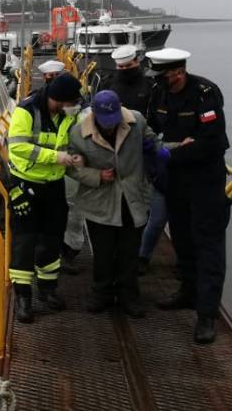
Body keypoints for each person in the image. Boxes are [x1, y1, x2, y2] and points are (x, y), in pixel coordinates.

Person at [146, 47, 230, 344]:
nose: (160, 82)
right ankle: (188, 291)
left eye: (165, 76)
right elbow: (151, 131)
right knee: (182, 237)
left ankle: (207, 314)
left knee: (208, 244)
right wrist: (170, 147)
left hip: (205, 182)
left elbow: (212, 143)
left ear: (178, 72)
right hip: (175, 181)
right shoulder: (159, 92)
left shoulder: (205, 93)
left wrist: (170, 151)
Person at [67, 90, 167, 317]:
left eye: (114, 121)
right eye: (105, 122)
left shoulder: (137, 121)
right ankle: (101, 292)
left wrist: (169, 149)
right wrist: (96, 176)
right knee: (103, 252)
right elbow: (72, 167)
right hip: (100, 202)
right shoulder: (77, 133)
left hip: (132, 198)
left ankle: (128, 294)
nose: (111, 126)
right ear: (93, 113)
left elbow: (154, 142)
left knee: (130, 251)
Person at [7, 73, 84, 323]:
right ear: (60, 99)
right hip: (27, 185)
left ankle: (48, 290)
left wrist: (74, 157)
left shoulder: (65, 117)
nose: (74, 106)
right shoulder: (26, 111)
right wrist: (55, 158)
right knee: (24, 243)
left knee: (52, 239)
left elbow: (70, 144)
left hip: (54, 187)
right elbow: (17, 147)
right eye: (72, 101)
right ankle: (23, 298)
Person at [107, 44, 166, 276]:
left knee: (147, 201)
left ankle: (141, 254)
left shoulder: (151, 86)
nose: (125, 69)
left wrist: (156, 145)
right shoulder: (107, 83)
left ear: (137, 62)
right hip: (114, 149)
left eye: (129, 65)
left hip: (144, 148)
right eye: (120, 66)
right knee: (116, 198)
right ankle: (117, 250)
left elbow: (158, 118)